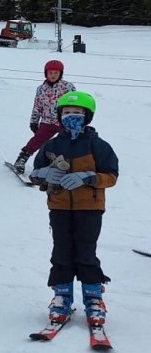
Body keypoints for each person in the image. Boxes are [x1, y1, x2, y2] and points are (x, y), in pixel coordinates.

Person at [27, 91, 119, 329]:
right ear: (60, 116)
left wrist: (87, 177)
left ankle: (93, 298)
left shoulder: (97, 145)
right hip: (59, 207)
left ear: (87, 116)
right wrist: (44, 174)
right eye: (66, 113)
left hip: (89, 208)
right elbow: (35, 174)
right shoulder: (52, 145)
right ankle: (62, 296)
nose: (71, 117)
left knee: (86, 252)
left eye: (77, 112)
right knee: (62, 251)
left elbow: (111, 176)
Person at [12, 59, 75, 174]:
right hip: (47, 122)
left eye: (56, 73)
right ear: (46, 73)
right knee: (37, 141)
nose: (53, 75)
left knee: (66, 143)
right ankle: (22, 158)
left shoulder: (67, 87)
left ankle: (66, 164)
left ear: (61, 74)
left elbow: (74, 104)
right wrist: (34, 121)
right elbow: (37, 106)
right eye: (50, 73)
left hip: (63, 122)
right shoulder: (41, 89)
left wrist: (74, 120)